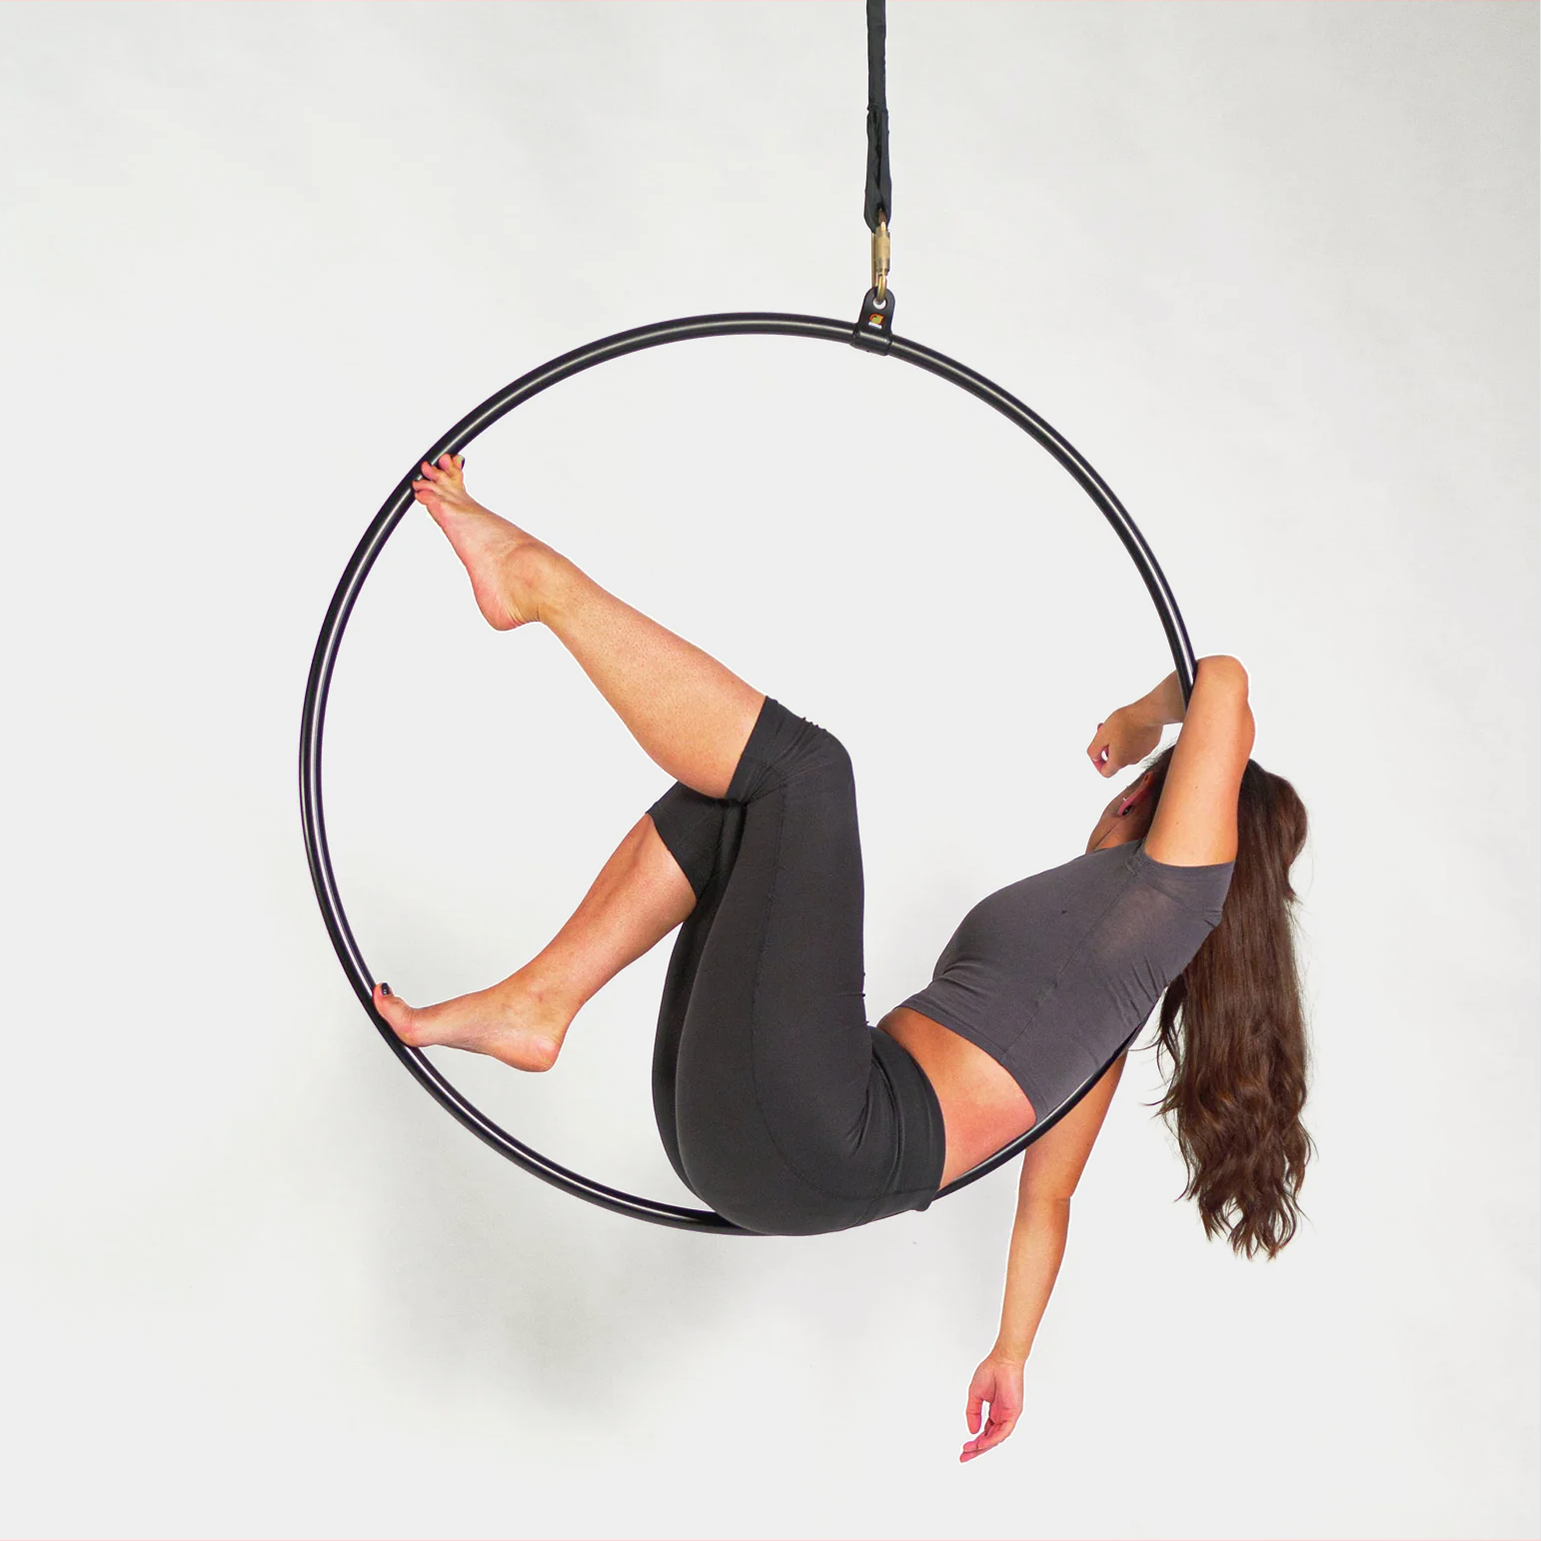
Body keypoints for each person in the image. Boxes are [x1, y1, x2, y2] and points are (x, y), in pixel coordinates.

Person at [373, 454, 1312, 1463]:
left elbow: (1223, 685)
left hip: (817, 1129)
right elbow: (1046, 1197)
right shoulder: (1109, 1000)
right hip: (767, 1146)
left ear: (1156, 799)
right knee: (731, 801)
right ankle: (542, 1001)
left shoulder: (1172, 893)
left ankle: (538, 583)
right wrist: (1009, 1353)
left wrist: (1136, 721)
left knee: (805, 770)